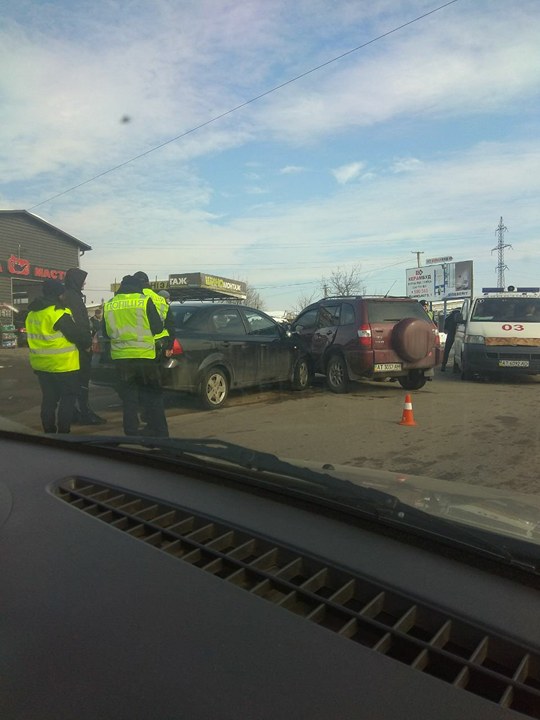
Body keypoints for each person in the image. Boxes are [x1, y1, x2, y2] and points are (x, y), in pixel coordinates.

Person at [103, 274, 169, 437]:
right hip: (144, 356)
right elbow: (157, 328)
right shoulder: (144, 300)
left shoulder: (110, 304)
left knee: (129, 397)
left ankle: (131, 433)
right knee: (153, 395)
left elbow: (105, 332)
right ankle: (161, 433)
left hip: (122, 358)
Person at [26, 279, 92, 434]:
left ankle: (49, 432)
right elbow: (76, 335)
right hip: (63, 365)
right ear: (58, 294)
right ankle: (64, 434)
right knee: (67, 399)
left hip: (41, 365)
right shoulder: (57, 313)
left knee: (49, 400)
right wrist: (87, 342)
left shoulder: (32, 314)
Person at [63, 268, 107, 425]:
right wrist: (87, 344)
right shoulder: (73, 298)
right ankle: (84, 414)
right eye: (83, 280)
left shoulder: (65, 296)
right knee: (81, 383)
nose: (85, 283)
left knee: (71, 385)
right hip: (79, 349)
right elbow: (80, 324)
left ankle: (74, 413)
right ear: (76, 281)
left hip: (69, 350)